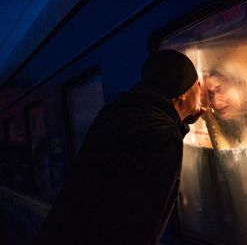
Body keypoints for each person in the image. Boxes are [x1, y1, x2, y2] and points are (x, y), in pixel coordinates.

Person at [35, 49, 205, 245]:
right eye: (196, 85)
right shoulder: (164, 138)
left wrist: (181, 120)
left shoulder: (116, 112)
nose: (200, 88)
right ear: (182, 96)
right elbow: (140, 228)